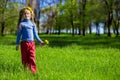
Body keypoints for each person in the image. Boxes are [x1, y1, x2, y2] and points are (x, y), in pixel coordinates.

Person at [16, 7, 45, 74]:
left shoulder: (33, 24)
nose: (26, 15)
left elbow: (35, 35)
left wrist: (40, 42)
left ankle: (33, 72)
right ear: (23, 15)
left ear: (31, 15)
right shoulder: (21, 24)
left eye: (28, 13)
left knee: (32, 57)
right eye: (25, 13)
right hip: (24, 43)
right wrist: (17, 44)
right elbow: (18, 35)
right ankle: (25, 71)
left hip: (32, 44)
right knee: (24, 58)